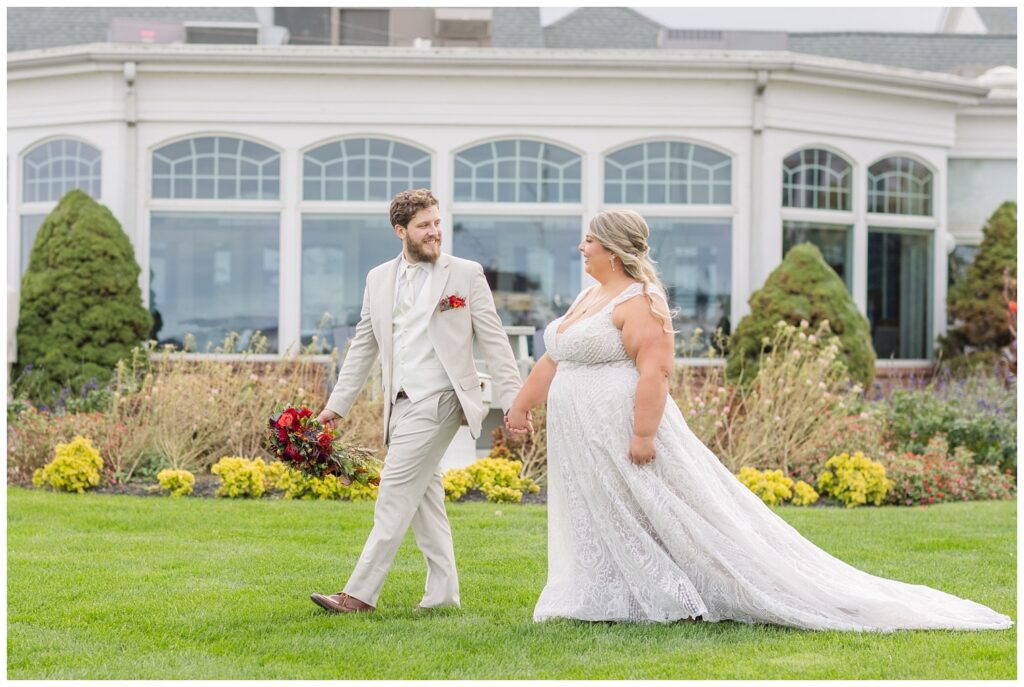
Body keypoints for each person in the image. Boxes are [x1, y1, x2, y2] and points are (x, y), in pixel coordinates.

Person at [504, 209, 1013, 631]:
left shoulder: (640, 301)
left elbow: (655, 371)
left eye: (588, 240)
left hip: (621, 423)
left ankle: (676, 593)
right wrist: (522, 405)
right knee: (600, 509)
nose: (581, 247)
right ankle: (609, 592)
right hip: (581, 432)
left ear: (612, 250)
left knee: (662, 509)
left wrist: (642, 434)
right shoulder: (587, 295)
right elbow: (555, 357)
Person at [311, 189, 522, 614]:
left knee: (393, 493)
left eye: (437, 223)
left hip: (443, 397)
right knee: (426, 500)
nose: (435, 232)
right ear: (400, 231)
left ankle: (359, 594)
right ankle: (443, 597)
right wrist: (335, 407)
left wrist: (515, 402)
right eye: (425, 225)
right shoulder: (378, 279)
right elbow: (363, 347)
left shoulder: (466, 274)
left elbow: (495, 340)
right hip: (401, 404)